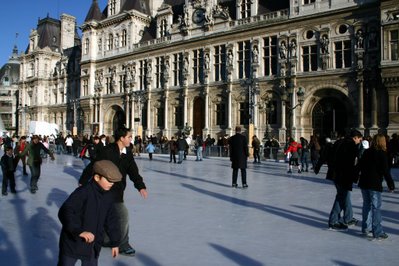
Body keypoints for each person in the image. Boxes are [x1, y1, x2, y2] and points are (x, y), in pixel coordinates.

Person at [79, 127, 147, 256]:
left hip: (118, 190)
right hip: (105, 189)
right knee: (122, 215)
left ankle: (104, 239)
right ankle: (123, 244)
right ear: (121, 138)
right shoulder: (108, 151)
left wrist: (140, 186)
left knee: (107, 215)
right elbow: (94, 164)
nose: (131, 139)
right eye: (129, 137)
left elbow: (133, 171)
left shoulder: (127, 152)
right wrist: (83, 180)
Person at [58, 160, 122, 265]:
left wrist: (115, 242)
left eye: (114, 181)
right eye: (109, 180)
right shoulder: (83, 192)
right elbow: (66, 211)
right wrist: (78, 231)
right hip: (72, 242)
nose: (112, 184)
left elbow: (112, 220)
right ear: (97, 177)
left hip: (93, 245)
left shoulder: (109, 196)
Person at [358, 134, 395, 240]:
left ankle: (366, 227)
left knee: (366, 205)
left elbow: (359, 166)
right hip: (374, 184)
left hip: (364, 182)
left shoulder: (367, 152)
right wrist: (390, 184)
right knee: (376, 208)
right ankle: (377, 231)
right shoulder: (382, 154)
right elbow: (385, 171)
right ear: (382, 142)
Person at [328, 130, 362, 230]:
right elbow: (352, 163)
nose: (359, 142)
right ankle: (334, 221)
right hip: (343, 175)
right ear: (355, 137)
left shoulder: (339, 142)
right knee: (341, 196)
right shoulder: (351, 146)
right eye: (359, 140)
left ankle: (348, 218)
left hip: (335, 174)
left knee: (344, 195)